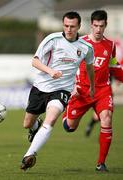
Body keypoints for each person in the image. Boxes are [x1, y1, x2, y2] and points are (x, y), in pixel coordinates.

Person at [20, 11, 95, 171]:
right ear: (63, 25)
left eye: (72, 26)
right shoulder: (52, 39)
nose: (69, 29)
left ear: (79, 26)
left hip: (62, 90)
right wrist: (50, 71)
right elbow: (35, 61)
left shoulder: (86, 47)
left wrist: (92, 87)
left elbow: (90, 68)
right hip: (41, 87)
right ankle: (35, 127)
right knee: (27, 123)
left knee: (52, 118)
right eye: (66, 25)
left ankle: (29, 155)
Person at [62, 10, 123, 172]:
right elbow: (68, 65)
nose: (98, 29)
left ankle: (101, 163)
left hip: (102, 90)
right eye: (95, 26)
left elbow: (114, 66)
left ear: (105, 26)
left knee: (107, 119)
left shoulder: (110, 45)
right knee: (69, 127)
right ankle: (65, 112)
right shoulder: (80, 42)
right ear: (91, 25)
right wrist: (70, 86)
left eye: (101, 26)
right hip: (81, 91)